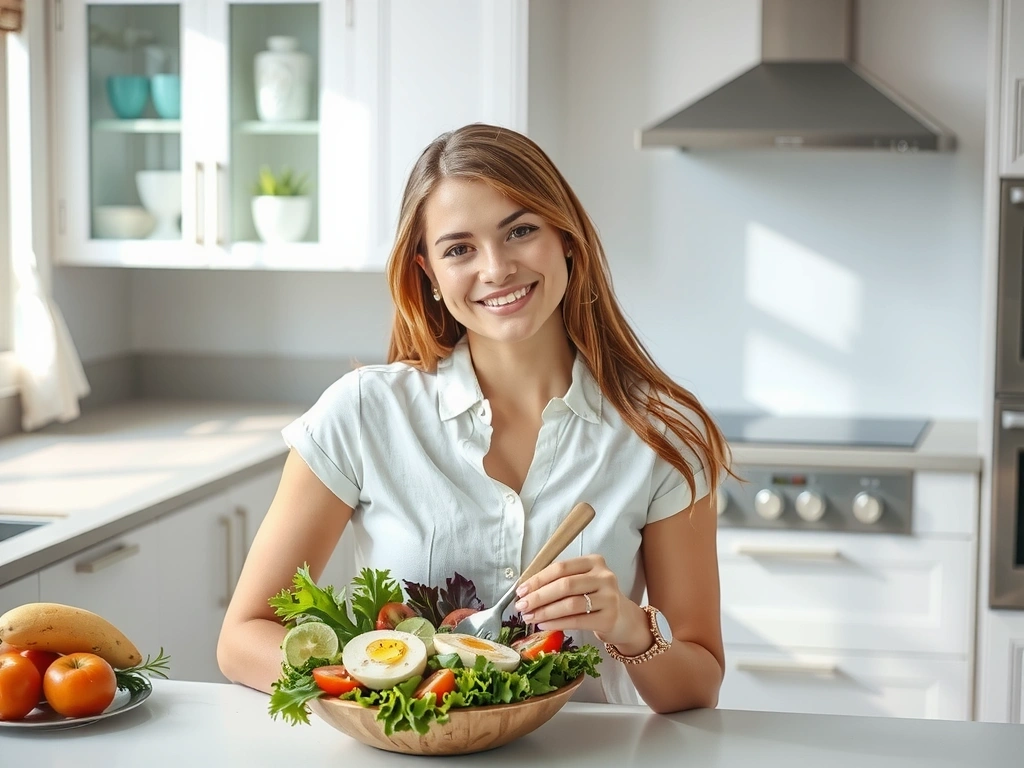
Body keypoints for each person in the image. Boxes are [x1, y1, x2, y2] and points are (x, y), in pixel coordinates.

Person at [217, 123, 731, 713]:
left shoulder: (657, 434)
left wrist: (628, 626)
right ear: (429, 274)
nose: (496, 268)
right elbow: (242, 638)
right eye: (459, 248)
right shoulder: (362, 413)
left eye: (520, 231)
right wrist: (394, 686)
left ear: (566, 238)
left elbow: (699, 684)